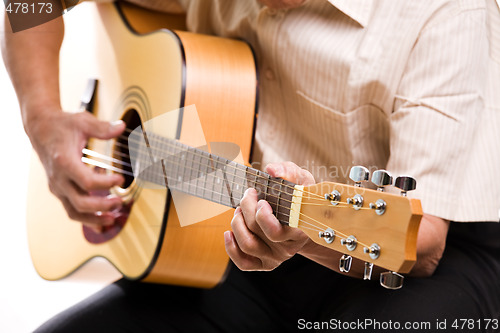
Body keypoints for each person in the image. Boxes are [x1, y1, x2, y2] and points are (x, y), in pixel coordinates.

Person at [2, 0, 500, 331]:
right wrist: (41, 116)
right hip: (230, 238)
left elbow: (424, 238)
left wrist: (303, 235)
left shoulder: (444, 11)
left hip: (409, 255)